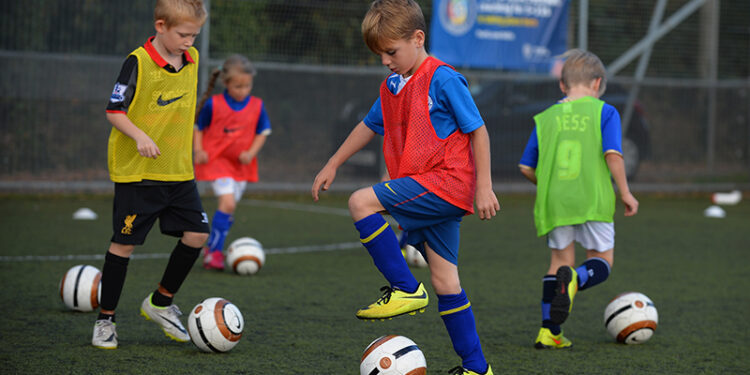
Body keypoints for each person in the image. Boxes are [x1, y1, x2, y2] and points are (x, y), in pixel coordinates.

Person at [312, 1, 499, 373]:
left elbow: (477, 130)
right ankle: (478, 368)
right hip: (427, 187)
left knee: (360, 202)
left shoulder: (443, 78)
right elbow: (368, 125)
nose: (385, 60)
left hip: (446, 182)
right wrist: (333, 162)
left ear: (418, 38)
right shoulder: (393, 85)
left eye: (391, 51)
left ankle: (406, 289)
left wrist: (485, 187)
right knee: (446, 281)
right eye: (379, 53)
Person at [94, 0, 209, 350]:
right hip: (138, 174)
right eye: (183, 34)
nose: (189, 41)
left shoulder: (192, 59)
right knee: (124, 244)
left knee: (197, 235)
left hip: (178, 172)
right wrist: (140, 135)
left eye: (195, 35)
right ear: (160, 26)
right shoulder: (138, 62)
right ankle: (105, 320)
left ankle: (160, 302)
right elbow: (115, 111)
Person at [518, 49, 639, 349]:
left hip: (555, 202)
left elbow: (525, 167)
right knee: (602, 262)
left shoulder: (545, 118)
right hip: (592, 198)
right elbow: (613, 154)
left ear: (562, 85)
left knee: (557, 262)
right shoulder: (605, 112)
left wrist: (548, 185)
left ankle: (549, 332)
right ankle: (575, 280)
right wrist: (625, 192)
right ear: (597, 84)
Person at [193, 54, 271, 270]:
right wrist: (198, 149)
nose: (243, 90)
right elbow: (197, 127)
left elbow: (262, 132)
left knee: (230, 207)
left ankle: (211, 247)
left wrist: (251, 152)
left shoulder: (257, 105)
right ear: (225, 83)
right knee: (227, 203)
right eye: (237, 86)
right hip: (216, 161)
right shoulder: (213, 104)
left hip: (240, 165)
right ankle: (215, 254)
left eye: (247, 86)